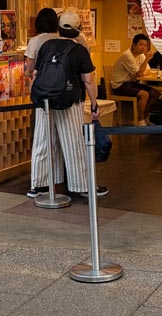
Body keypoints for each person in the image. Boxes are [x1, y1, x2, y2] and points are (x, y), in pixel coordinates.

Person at [27, 11, 106, 198]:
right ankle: (81, 187)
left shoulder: (46, 45)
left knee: (42, 141)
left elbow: (35, 73)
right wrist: (94, 103)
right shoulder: (79, 50)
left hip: (44, 100)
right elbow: (88, 80)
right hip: (69, 101)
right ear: (78, 29)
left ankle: (38, 185)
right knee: (73, 144)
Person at [110, 33, 161, 127]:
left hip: (130, 83)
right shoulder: (127, 55)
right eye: (140, 45)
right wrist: (147, 60)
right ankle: (141, 120)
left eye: (145, 45)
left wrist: (142, 71)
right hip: (119, 85)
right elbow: (139, 73)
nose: (143, 48)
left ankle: (144, 118)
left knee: (155, 93)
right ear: (134, 45)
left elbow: (147, 71)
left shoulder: (140, 55)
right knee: (144, 94)